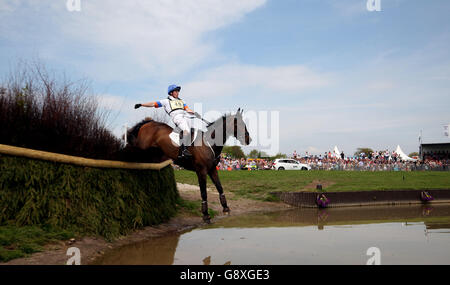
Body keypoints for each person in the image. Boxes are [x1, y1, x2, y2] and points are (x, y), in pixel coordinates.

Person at [134, 84, 195, 160]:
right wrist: (141, 104)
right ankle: (183, 151)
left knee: (195, 128)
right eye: (176, 91)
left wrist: (194, 113)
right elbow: (153, 104)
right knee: (186, 130)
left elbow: (187, 109)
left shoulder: (182, 101)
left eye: (178, 91)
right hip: (177, 117)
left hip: (185, 116)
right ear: (171, 93)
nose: (178, 93)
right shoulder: (166, 101)